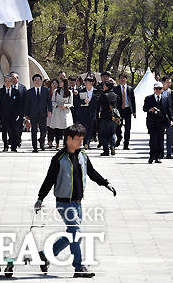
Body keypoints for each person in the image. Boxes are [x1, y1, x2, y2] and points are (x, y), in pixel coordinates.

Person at [34, 123, 116, 279]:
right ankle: (79, 267)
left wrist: (105, 183)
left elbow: (91, 172)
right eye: (78, 139)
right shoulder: (59, 158)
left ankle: (45, 255)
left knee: (72, 233)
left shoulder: (82, 155)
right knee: (76, 233)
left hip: (78, 202)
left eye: (82, 139)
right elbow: (49, 180)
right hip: (64, 203)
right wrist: (40, 198)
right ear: (69, 139)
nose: (81, 142)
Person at [143, 81, 171, 164]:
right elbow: (144, 108)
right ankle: (152, 156)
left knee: (160, 140)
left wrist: (171, 119)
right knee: (153, 140)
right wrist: (150, 109)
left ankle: (158, 157)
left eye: (160, 89)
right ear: (154, 89)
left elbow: (168, 110)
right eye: (156, 88)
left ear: (162, 89)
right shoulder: (148, 98)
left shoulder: (165, 98)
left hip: (161, 122)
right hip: (151, 122)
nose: (158, 90)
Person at [24, 74, 53, 152]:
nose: (37, 81)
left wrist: (50, 110)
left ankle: (41, 143)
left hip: (43, 114)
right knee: (34, 131)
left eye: (38, 80)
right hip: (32, 114)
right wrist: (26, 114)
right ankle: (35, 147)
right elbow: (27, 103)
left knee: (43, 131)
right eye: (35, 80)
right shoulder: (29, 92)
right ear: (33, 81)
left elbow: (49, 102)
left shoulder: (45, 91)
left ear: (41, 81)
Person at [0, 75, 21, 152]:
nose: (7, 83)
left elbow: (18, 104)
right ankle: (5, 146)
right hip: (3, 115)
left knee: (13, 131)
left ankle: (13, 147)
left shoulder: (16, 92)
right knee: (4, 131)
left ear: (12, 82)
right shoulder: (0, 91)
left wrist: (18, 114)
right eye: (6, 81)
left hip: (13, 115)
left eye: (9, 81)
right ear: (4, 82)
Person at [49, 78, 73, 150]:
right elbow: (52, 101)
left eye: (61, 82)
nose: (60, 83)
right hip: (57, 112)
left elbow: (71, 103)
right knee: (57, 128)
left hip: (65, 112)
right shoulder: (56, 91)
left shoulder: (69, 92)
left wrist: (65, 106)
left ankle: (65, 144)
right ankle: (57, 144)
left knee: (66, 129)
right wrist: (57, 105)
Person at [114, 74, 136, 150]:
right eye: (121, 78)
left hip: (127, 110)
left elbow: (133, 100)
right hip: (119, 110)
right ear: (119, 80)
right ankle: (119, 137)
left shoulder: (130, 89)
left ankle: (126, 144)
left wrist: (134, 111)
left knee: (127, 127)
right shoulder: (116, 89)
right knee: (118, 126)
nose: (122, 80)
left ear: (126, 79)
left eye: (124, 78)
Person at [76, 77, 100, 148]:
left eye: (87, 82)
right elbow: (77, 101)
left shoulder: (96, 91)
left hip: (92, 112)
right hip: (83, 112)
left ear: (92, 83)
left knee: (90, 128)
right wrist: (83, 101)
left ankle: (87, 142)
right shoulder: (81, 91)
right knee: (83, 128)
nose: (85, 83)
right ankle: (84, 142)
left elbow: (99, 101)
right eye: (85, 81)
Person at [97, 79, 118, 156]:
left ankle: (106, 151)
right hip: (113, 117)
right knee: (112, 133)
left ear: (106, 87)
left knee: (104, 134)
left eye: (104, 85)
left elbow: (98, 103)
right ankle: (112, 146)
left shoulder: (104, 95)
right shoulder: (115, 95)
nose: (103, 87)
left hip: (105, 117)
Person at [11, 71, 27, 145]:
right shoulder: (8, 87)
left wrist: (25, 112)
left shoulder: (23, 88)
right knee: (11, 127)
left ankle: (18, 140)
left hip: (20, 112)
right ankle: (11, 140)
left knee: (19, 128)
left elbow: (25, 100)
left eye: (15, 78)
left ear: (18, 79)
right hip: (10, 111)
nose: (13, 79)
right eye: (12, 78)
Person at [46, 79, 59, 148]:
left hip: (57, 111)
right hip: (49, 111)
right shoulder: (48, 91)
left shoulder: (59, 91)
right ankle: (50, 141)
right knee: (50, 127)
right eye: (53, 83)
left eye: (56, 83)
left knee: (56, 127)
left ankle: (57, 142)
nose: (54, 85)